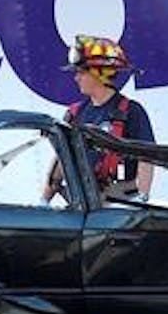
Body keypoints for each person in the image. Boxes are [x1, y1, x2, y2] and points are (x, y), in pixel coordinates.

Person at [45, 34, 155, 202]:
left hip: (121, 208)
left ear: (99, 74)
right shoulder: (74, 114)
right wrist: (43, 201)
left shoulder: (132, 112)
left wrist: (143, 200)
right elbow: (61, 161)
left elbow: (146, 159)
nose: (76, 78)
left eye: (81, 72)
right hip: (83, 209)